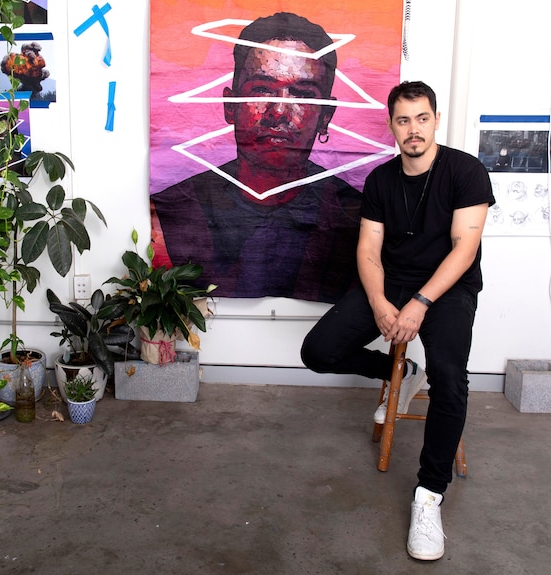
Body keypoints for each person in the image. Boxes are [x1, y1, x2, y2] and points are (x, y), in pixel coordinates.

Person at [300, 81, 494, 560]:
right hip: (391, 283)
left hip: (447, 289)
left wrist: (421, 303)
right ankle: (401, 373)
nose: (413, 129)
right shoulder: (381, 180)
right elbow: (368, 250)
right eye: (403, 120)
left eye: (421, 118)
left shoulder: (465, 172)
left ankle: (429, 494)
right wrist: (383, 304)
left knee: (450, 379)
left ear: (435, 119)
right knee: (318, 351)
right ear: (391, 125)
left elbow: (464, 249)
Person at [150, 12, 362, 303]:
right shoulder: (175, 211)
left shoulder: (354, 214)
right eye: (262, 89)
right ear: (229, 106)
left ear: (326, 116)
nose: (278, 110)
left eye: (301, 94)